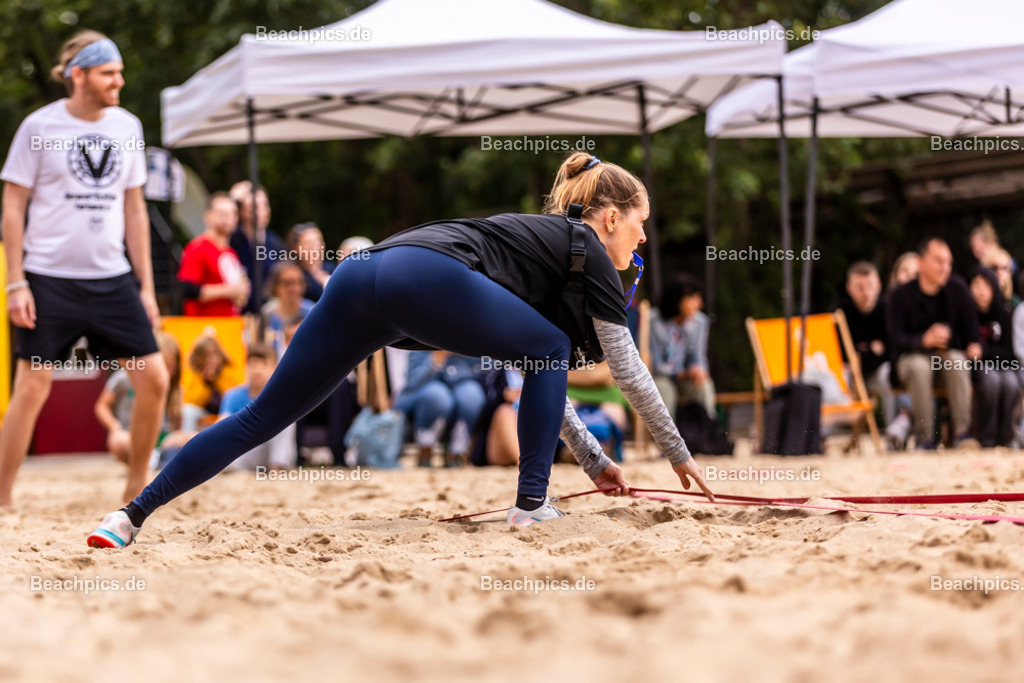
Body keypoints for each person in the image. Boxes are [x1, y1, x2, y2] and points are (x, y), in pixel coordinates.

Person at [87, 152, 714, 548]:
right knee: (549, 346)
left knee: (258, 418)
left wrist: (596, 460)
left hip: (361, 276)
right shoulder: (587, 249)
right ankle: (529, 507)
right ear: (609, 218)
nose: (641, 236)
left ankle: (128, 516)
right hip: (419, 277)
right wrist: (679, 453)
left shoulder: (554, 256)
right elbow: (628, 370)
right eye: (640, 222)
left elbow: (544, 372)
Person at [0, 31, 169, 506]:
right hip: (49, 279)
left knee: (154, 378)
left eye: (119, 72)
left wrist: (146, 288)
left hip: (112, 280)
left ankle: (136, 488)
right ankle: (2, 499)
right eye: (108, 73)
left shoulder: (127, 126)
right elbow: (13, 207)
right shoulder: (39, 126)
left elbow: (134, 210)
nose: (119, 80)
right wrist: (16, 282)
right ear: (79, 75)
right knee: (32, 386)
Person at [887, 238, 981, 449]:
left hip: (945, 363)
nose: (945, 267)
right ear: (920, 262)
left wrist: (972, 346)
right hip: (910, 362)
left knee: (956, 360)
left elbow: (972, 334)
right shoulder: (900, 295)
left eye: (948, 262)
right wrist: (922, 340)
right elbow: (894, 339)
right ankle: (925, 438)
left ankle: (961, 434)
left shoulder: (957, 289)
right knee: (919, 366)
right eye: (938, 261)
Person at [95, 332, 194, 466]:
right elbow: (101, 406)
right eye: (164, 366)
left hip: (163, 439)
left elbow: (176, 423)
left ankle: (158, 459)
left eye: (172, 367)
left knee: (195, 438)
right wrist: (115, 427)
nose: (168, 372)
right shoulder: (124, 378)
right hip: (132, 435)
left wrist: (176, 439)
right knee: (118, 441)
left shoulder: (176, 388)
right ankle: (151, 460)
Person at [395, 351, 486, 468]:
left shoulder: (469, 338)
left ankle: (456, 453)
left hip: (462, 386)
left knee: (471, 394)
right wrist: (436, 359)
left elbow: (482, 370)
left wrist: (456, 371)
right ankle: (425, 450)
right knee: (437, 395)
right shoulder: (419, 338)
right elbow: (413, 381)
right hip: (425, 396)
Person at [220, 343, 297, 471]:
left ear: (274, 368)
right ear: (246, 367)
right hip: (245, 453)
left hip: (276, 451)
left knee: (286, 418)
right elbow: (222, 426)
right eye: (253, 364)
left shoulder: (280, 395)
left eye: (264, 364)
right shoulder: (232, 396)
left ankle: (276, 470)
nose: (258, 370)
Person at [650, 275, 715, 419]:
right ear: (676, 299)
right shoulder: (653, 321)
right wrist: (678, 373)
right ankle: (667, 439)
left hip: (686, 378)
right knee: (664, 389)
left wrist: (698, 369)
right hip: (661, 377)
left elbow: (699, 357)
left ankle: (708, 433)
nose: (699, 304)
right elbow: (653, 364)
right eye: (693, 298)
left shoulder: (700, 322)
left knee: (704, 385)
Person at [837, 262, 894, 426]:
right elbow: (838, 352)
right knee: (836, 375)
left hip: (876, 372)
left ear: (878, 286)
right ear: (849, 288)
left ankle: (892, 432)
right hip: (850, 373)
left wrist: (861, 351)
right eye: (859, 287)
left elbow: (891, 350)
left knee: (888, 374)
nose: (866, 293)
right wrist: (872, 349)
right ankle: (828, 431)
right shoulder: (840, 313)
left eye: (870, 286)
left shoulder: (888, 310)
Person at [968, 267, 1019, 447]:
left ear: (994, 289)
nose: (981, 291)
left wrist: (984, 351)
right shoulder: (967, 313)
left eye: (986, 286)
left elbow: (1009, 353)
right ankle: (986, 437)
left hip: (1001, 365)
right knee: (991, 382)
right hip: (975, 367)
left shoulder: (1003, 314)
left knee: (1012, 384)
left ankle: (1005, 436)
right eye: (976, 285)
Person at [178, 192, 250, 316]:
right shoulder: (198, 248)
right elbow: (187, 289)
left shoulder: (231, 252)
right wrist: (230, 290)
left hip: (229, 325)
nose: (227, 218)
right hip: (204, 326)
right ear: (208, 216)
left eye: (232, 214)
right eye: (222, 214)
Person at [228, 180, 286, 313]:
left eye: (265, 205)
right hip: (238, 315)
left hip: (268, 314)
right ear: (241, 211)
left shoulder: (276, 244)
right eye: (253, 207)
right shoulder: (232, 241)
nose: (261, 212)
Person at [260, 260, 314, 359]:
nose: (294, 288)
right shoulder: (267, 313)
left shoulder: (312, 313)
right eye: (287, 283)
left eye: (299, 282)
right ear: (275, 286)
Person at [181, 335, 234, 431]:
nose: (211, 360)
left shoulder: (227, 370)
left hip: (224, 414)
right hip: (204, 413)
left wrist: (217, 379)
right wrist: (204, 381)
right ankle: (187, 442)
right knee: (187, 411)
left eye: (214, 356)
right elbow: (192, 402)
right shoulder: (194, 373)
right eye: (206, 357)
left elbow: (231, 396)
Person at [287, 223, 333, 302]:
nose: (316, 247)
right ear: (296, 248)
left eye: (319, 241)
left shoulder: (332, 269)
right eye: (309, 243)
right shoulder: (292, 274)